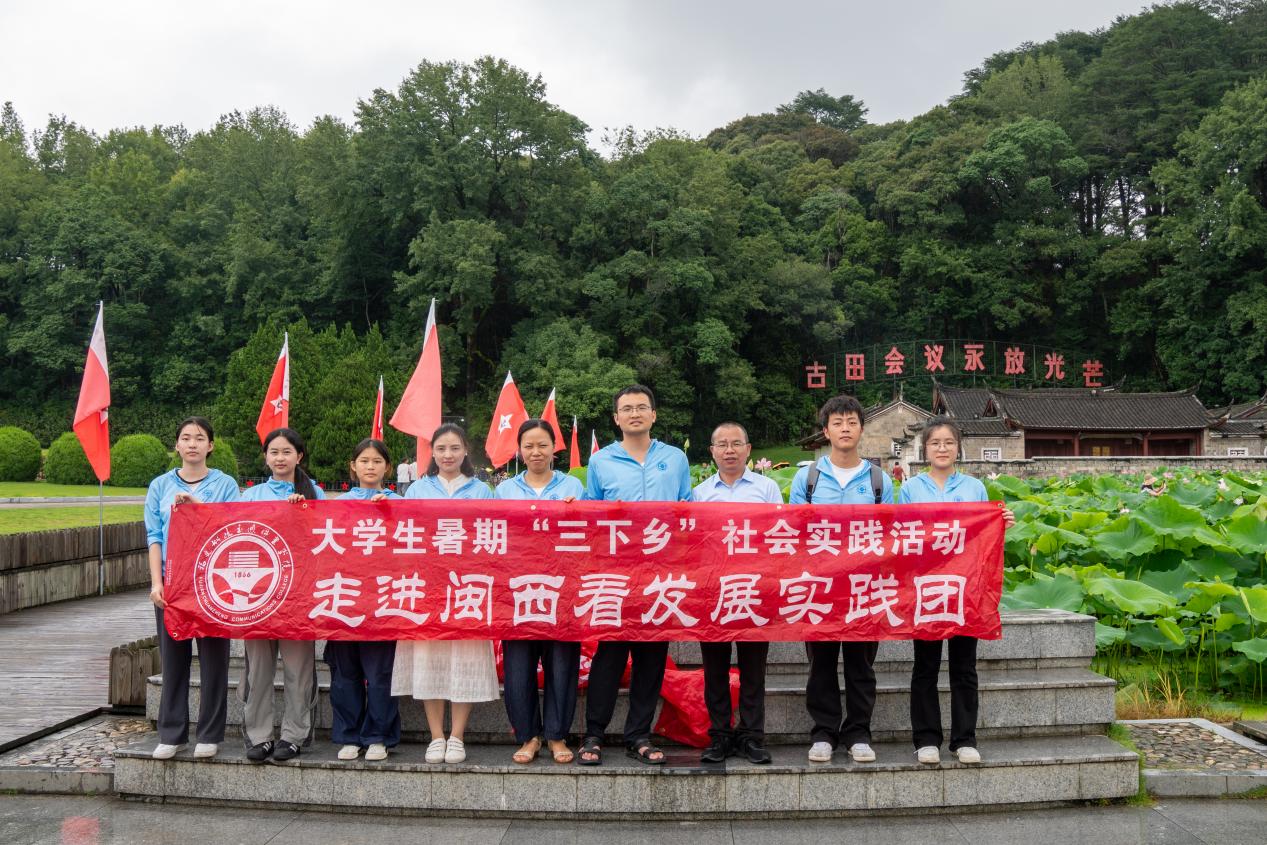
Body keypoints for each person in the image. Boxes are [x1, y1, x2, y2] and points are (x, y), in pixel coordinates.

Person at [578, 385, 691, 767]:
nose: (635, 413)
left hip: (661, 575)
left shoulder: (675, 458)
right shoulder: (601, 461)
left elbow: (687, 511)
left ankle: (638, 735)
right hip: (616, 575)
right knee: (609, 655)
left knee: (651, 657)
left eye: (642, 407)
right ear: (617, 418)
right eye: (627, 409)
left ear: (653, 415)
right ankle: (594, 734)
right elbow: (591, 515)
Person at [899, 416, 1014, 765]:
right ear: (925, 449)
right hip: (926, 586)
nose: (942, 448)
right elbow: (901, 536)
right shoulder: (911, 489)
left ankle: (964, 739)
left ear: (958, 448)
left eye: (949, 442)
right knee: (925, 665)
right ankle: (926, 739)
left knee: (964, 666)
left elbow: (982, 537)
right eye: (935, 443)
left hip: (965, 587)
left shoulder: (974, 488)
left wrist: (1000, 523)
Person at [789, 394, 895, 765]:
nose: (845, 429)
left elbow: (889, 534)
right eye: (838, 423)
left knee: (860, 664)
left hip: (865, 586)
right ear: (826, 431)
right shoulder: (808, 478)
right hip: (819, 586)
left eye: (852, 422)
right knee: (820, 662)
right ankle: (823, 733)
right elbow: (795, 532)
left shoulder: (879, 480)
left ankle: (858, 733)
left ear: (861, 429)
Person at [393, 424, 499, 764]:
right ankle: (436, 735)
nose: (448, 455)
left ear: (465, 450)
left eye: (454, 448)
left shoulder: (482, 491)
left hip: (469, 586)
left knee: (465, 658)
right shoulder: (417, 490)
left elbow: (494, 536)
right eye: (441, 448)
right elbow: (405, 536)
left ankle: (457, 736)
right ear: (433, 453)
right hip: (428, 587)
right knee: (429, 659)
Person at [145, 417, 241, 760]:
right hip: (173, 582)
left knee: (214, 660)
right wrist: (157, 582)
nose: (192, 444)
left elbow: (234, 527)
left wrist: (197, 509)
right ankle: (172, 734)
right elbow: (154, 536)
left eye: (199, 438)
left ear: (210, 446)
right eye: (185, 438)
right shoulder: (160, 485)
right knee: (174, 660)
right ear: (177, 445)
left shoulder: (225, 484)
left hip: (214, 583)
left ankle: (210, 734)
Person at [691, 421, 782, 765]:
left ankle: (752, 736)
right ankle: (719, 735)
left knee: (753, 668)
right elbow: (694, 545)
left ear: (748, 449)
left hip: (755, 589)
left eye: (736, 443)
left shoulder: (767, 488)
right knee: (714, 667)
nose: (729, 450)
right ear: (712, 451)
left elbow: (780, 536)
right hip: (713, 590)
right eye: (722, 444)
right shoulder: (700, 494)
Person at [495, 419, 584, 765]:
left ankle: (557, 735)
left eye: (542, 445)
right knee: (519, 666)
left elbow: (590, 532)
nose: (536, 452)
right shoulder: (505, 491)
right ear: (519, 450)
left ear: (553, 448)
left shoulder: (573, 486)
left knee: (562, 663)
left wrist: (579, 511)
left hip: (563, 589)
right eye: (529, 446)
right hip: (517, 590)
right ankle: (528, 736)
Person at [237, 428, 324, 763]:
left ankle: (294, 735)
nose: (280, 458)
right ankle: (259, 736)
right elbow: (230, 530)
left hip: (298, 595)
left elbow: (325, 539)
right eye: (274, 452)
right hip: (257, 595)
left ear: (299, 456)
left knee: (298, 669)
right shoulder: (251, 495)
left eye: (287, 452)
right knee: (258, 669)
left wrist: (304, 512)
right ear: (265, 457)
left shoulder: (313, 492)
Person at [326, 438, 403, 763]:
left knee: (381, 673)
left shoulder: (401, 504)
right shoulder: (335, 504)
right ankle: (349, 735)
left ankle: (378, 736)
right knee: (345, 674)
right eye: (364, 461)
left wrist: (391, 512)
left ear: (387, 467)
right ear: (353, 466)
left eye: (377, 461)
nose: (370, 467)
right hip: (343, 597)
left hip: (383, 600)